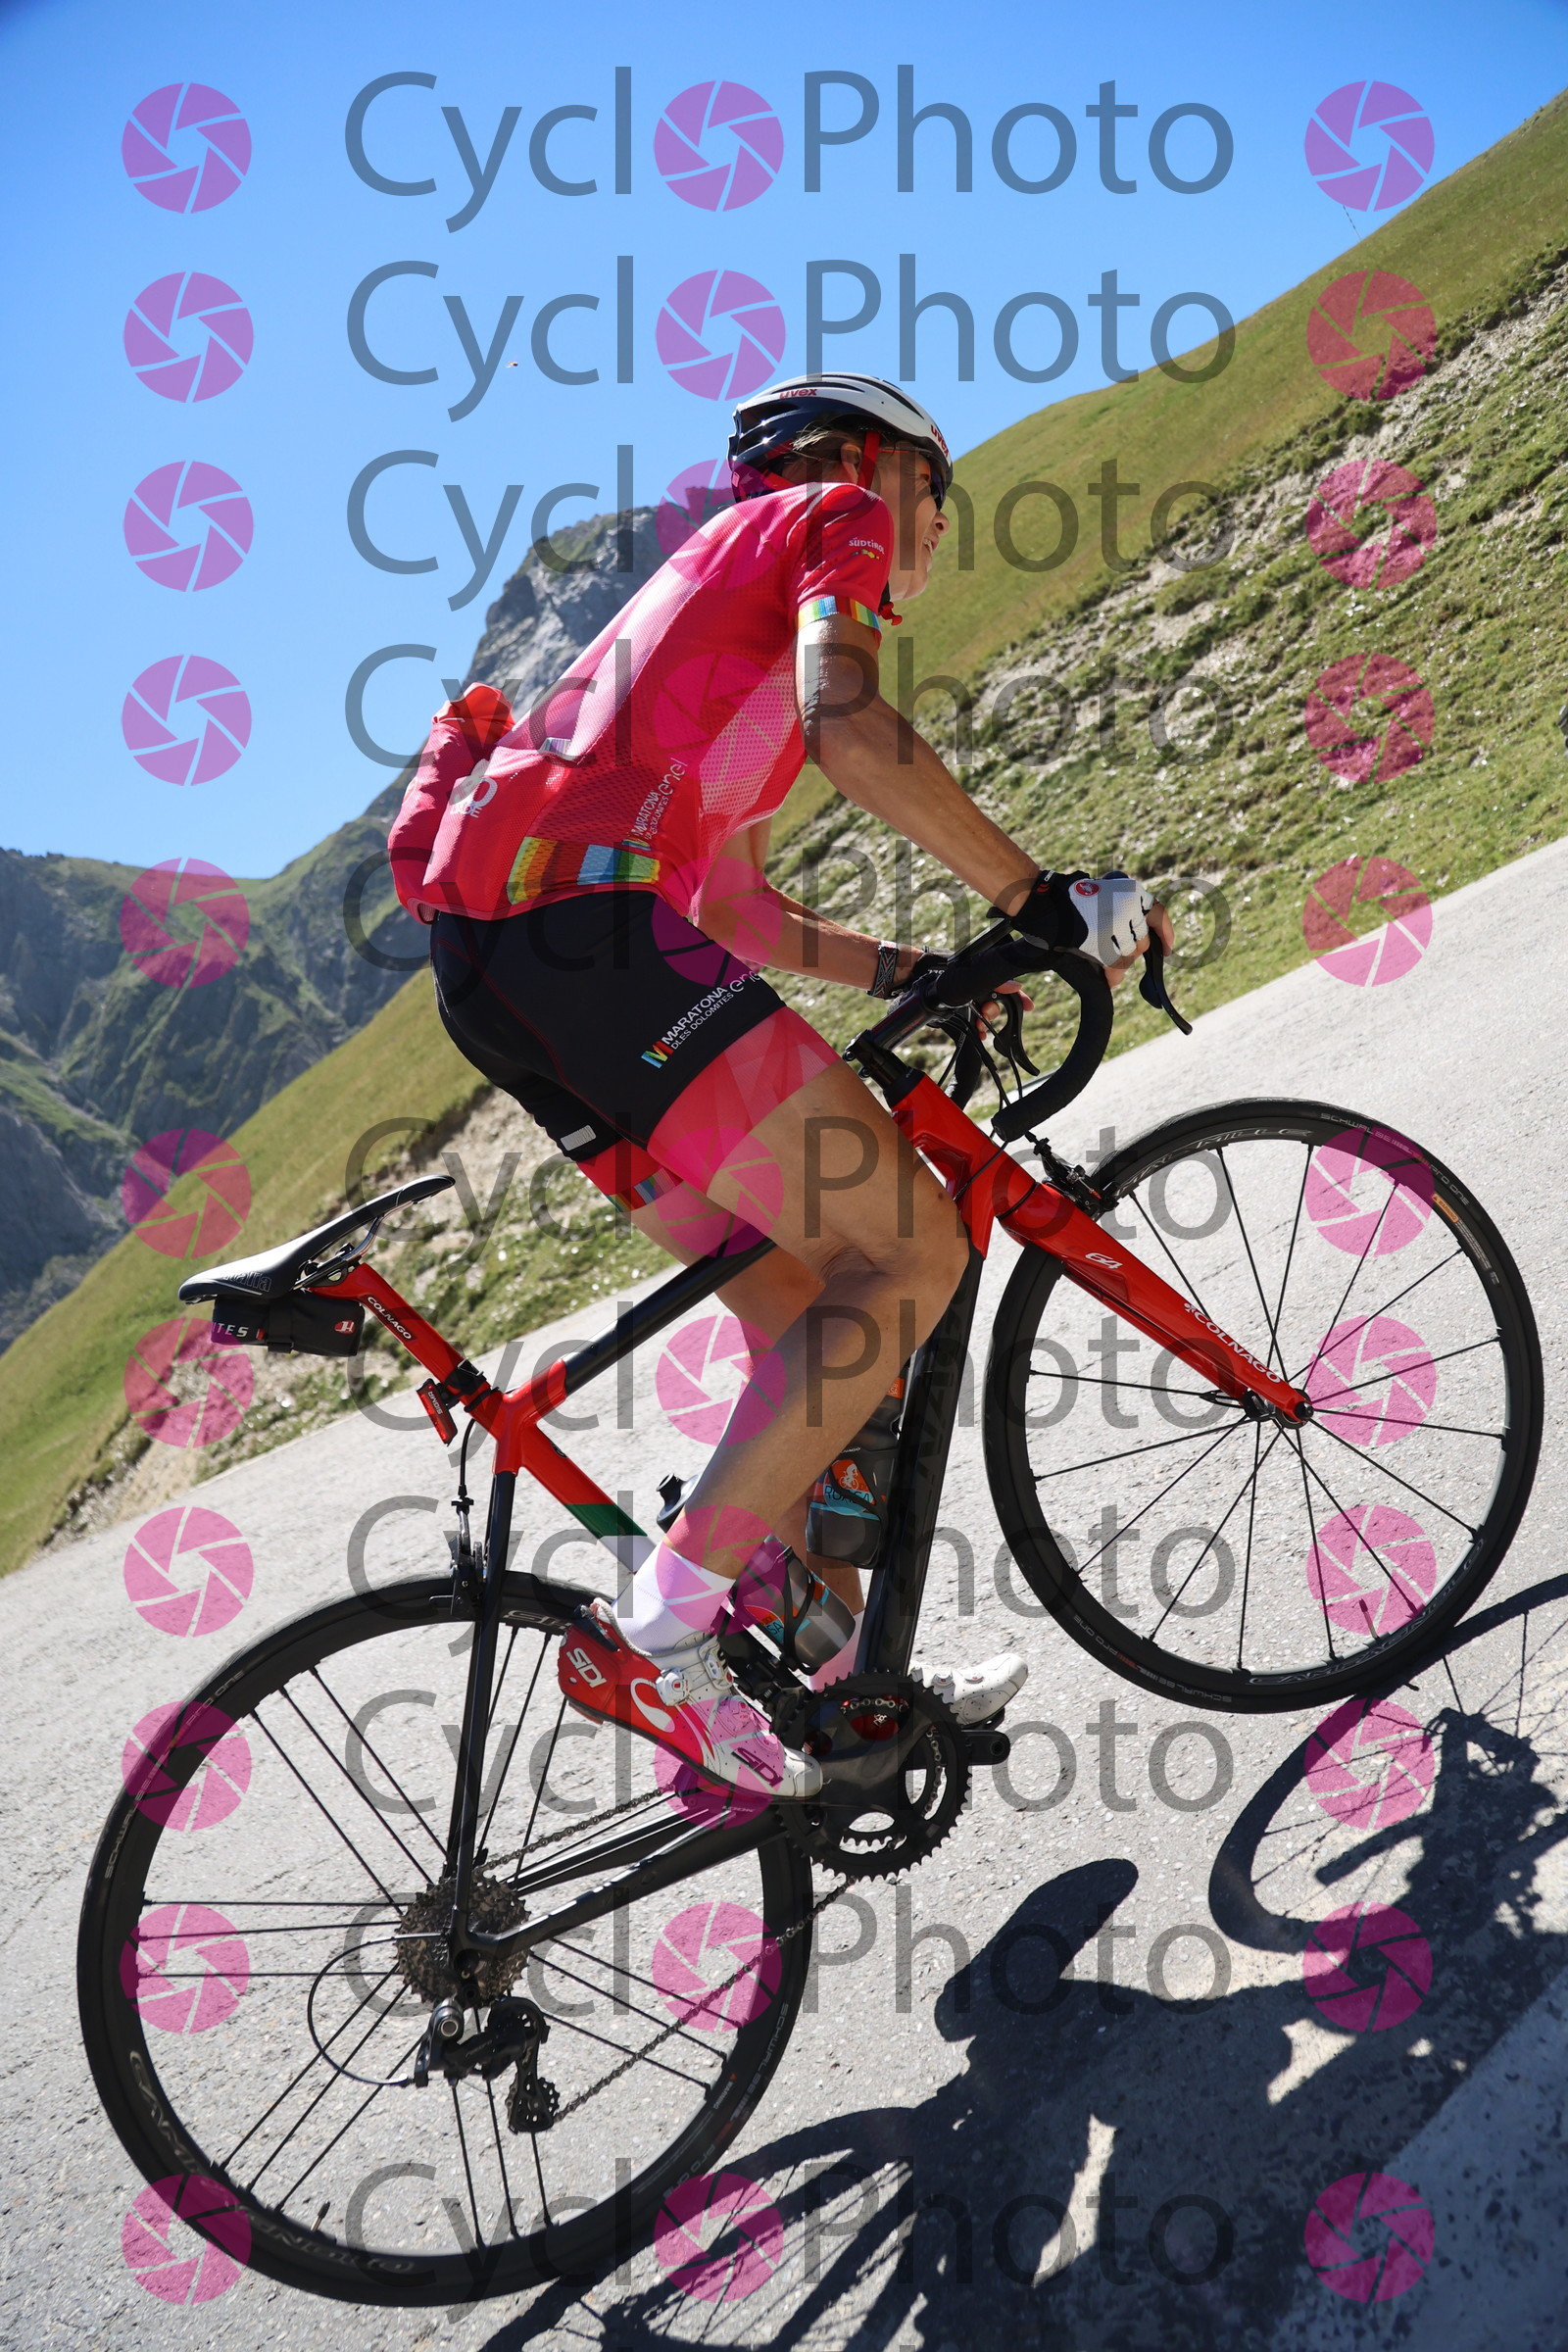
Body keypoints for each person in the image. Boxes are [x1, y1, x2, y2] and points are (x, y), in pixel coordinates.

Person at [389, 370, 1171, 1801]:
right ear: (884, 465)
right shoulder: (833, 517)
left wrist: (916, 970)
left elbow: (736, 907)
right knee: (911, 1250)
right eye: (939, 490)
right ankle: (662, 1632)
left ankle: (833, 1686)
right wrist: (1038, 897)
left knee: (818, 1313)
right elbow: (849, 726)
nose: (937, 527)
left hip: (503, 975)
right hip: (582, 938)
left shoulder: (707, 611)